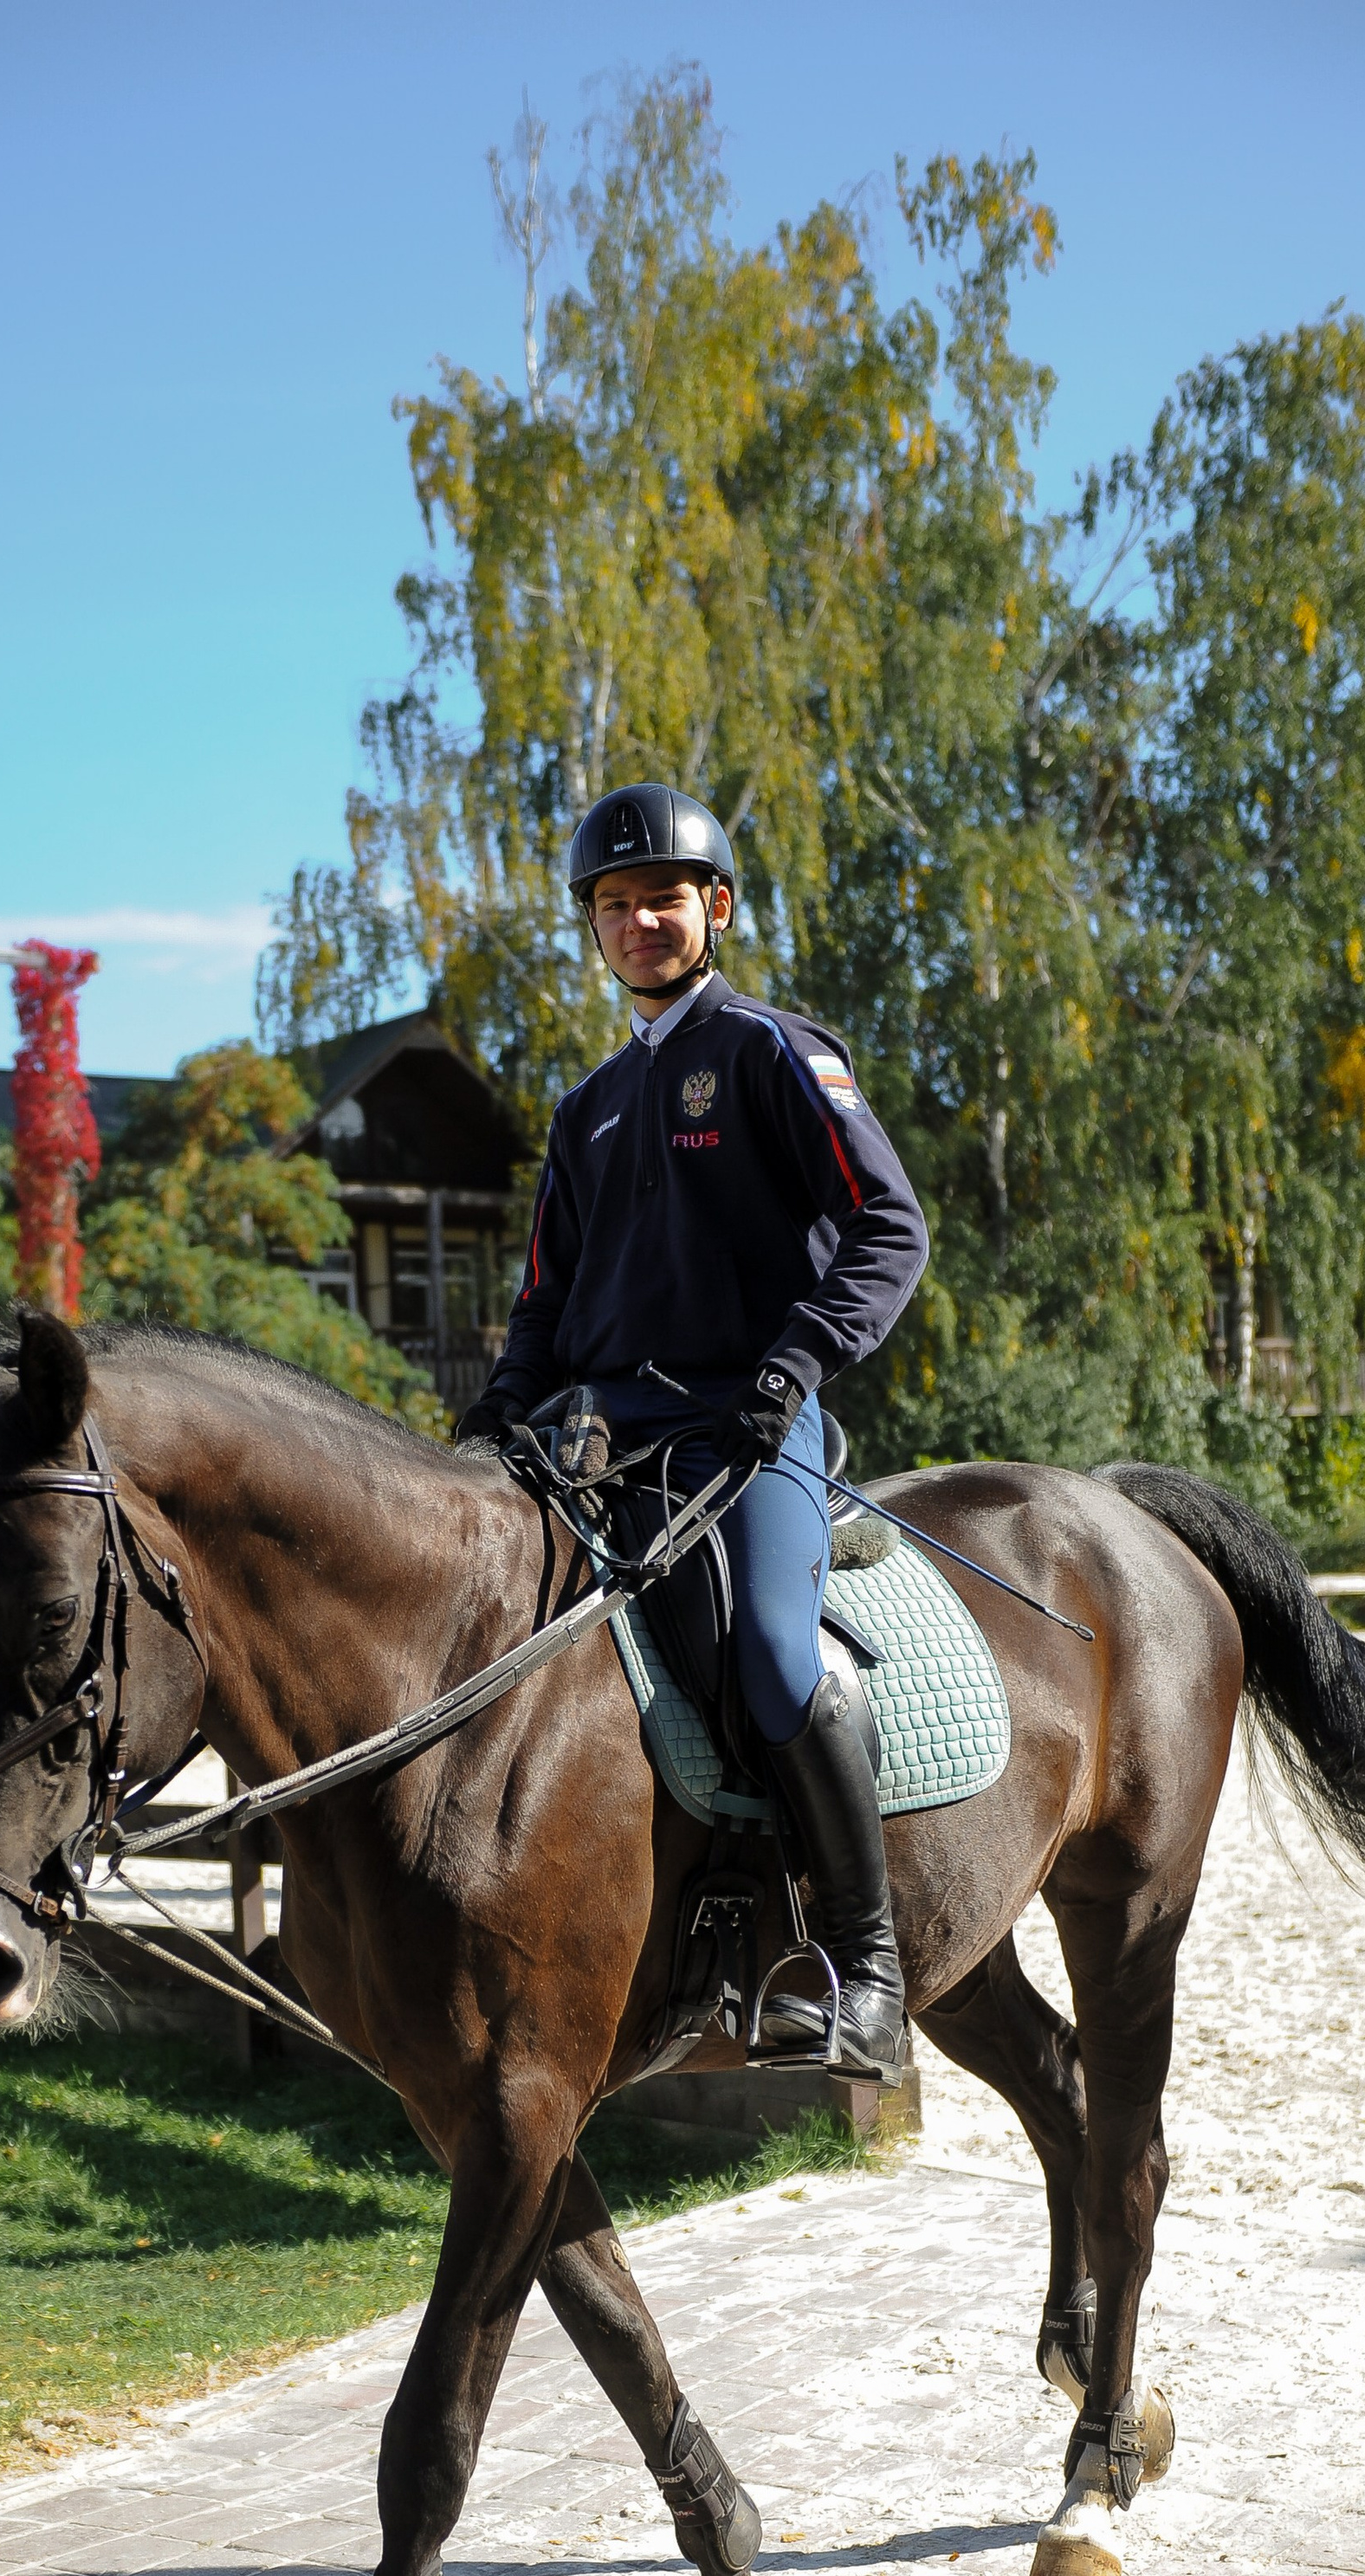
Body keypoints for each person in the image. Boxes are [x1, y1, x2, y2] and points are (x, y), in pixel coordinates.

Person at [458, 781, 928, 2080]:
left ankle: (867, 1971)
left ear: (713, 906)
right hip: (602, 1438)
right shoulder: (588, 1109)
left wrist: (799, 1358)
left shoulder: (775, 1053)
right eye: (615, 906)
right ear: (594, 930)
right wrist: (502, 1405)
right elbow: (548, 1298)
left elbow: (892, 1229)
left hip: (748, 1424)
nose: (640, 923)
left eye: (663, 898)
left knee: (775, 1656)